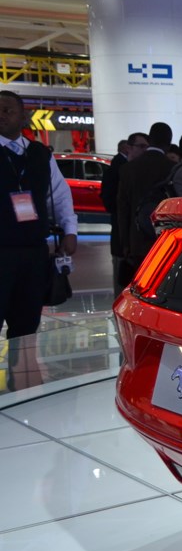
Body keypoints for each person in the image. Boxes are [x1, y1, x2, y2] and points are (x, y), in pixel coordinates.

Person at [0, 90, 76, 390]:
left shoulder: (39, 154)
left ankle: (22, 385)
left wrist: (70, 230)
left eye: (7, 110)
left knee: (27, 322)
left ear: (23, 117)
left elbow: (58, 194)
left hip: (33, 252)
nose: (1, 115)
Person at [116, 121, 176, 290]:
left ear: (150, 140)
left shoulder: (129, 169)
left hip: (137, 242)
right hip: (166, 240)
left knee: (140, 289)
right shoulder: (173, 168)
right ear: (169, 143)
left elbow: (123, 209)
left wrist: (126, 244)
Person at [101, 132, 148, 289]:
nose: (144, 150)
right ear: (129, 148)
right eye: (141, 146)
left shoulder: (141, 171)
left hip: (141, 241)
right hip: (123, 239)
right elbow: (110, 202)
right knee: (123, 286)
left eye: (146, 147)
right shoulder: (117, 170)